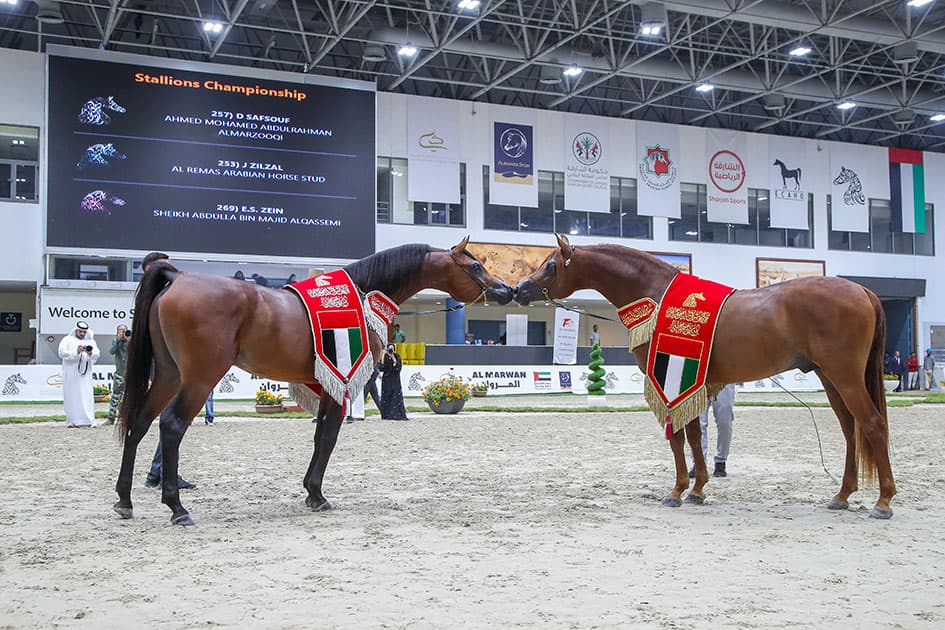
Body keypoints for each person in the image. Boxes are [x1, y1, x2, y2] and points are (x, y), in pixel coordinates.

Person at [140, 252, 195, 490]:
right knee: (173, 417)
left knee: (171, 416)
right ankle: (161, 473)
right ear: (149, 269)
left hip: (163, 363)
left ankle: (156, 471)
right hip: (166, 365)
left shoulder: (157, 296)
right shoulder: (158, 297)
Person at [58, 321, 100, 428]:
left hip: (85, 375)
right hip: (71, 374)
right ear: (76, 330)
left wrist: (90, 353)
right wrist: (76, 352)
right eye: (80, 331)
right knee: (71, 396)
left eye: (84, 332)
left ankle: (88, 419)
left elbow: (97, 354)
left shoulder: (91, 341)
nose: (82, 333)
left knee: (86, 395)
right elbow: (61, 353)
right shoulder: (67, 340)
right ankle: (72, 420)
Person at [689, 383, 735, 478]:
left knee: (725, 423)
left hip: (724, 379)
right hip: (700, 380)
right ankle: (698, 462)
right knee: (698, 425)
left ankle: (721, 460)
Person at [103, 324, 131, 426]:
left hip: (130, 374)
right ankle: (111, 418)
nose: (123, 333)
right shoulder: (116, 342)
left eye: (124, 331)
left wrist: (129, 341)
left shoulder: (131, 341)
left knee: (129, 397)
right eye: (120, 331)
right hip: (119, 374)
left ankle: (126, 418)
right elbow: (111, 351)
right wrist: (119, 340)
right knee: (115, 396)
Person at [378, 343, 408, 420]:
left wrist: (393, 358)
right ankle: (386, 414)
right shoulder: (385, 357)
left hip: (395, 379)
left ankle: (396, 413)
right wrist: (383, 356)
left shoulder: (397, 356)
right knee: (386, 395)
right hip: (386, 379)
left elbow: (398, 368)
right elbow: (381, 367)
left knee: (395, 395)